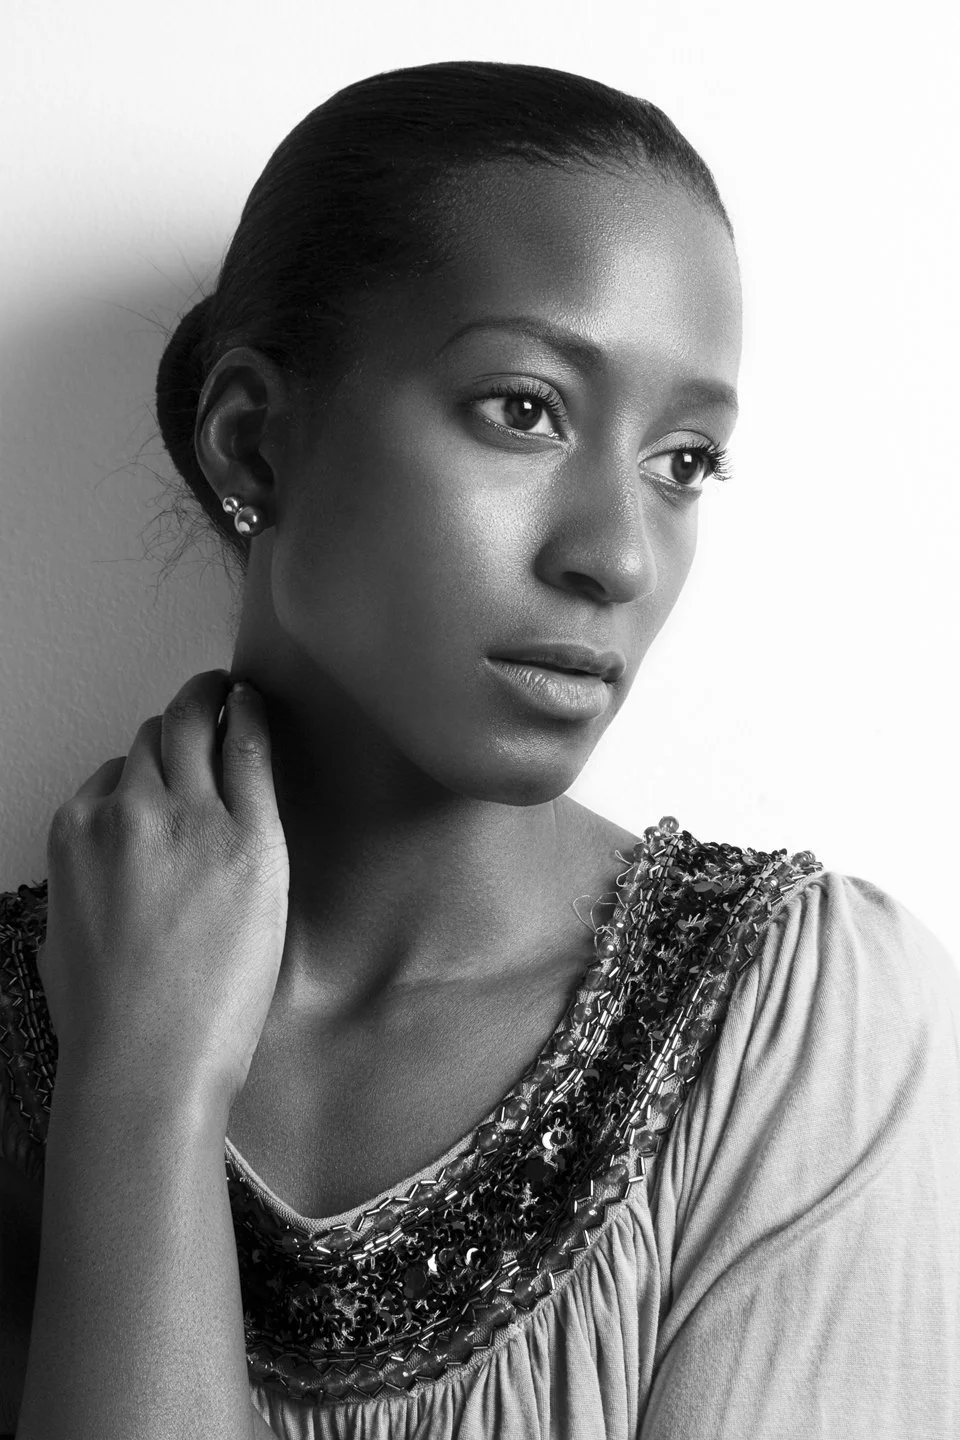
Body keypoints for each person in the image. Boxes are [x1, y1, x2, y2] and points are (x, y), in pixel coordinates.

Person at [1, 59, 957, 1440]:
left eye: (684, 462)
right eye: (526, 408)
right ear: (256, 442)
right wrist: (138, 1093)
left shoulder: (805, 1034)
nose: (617, 556)